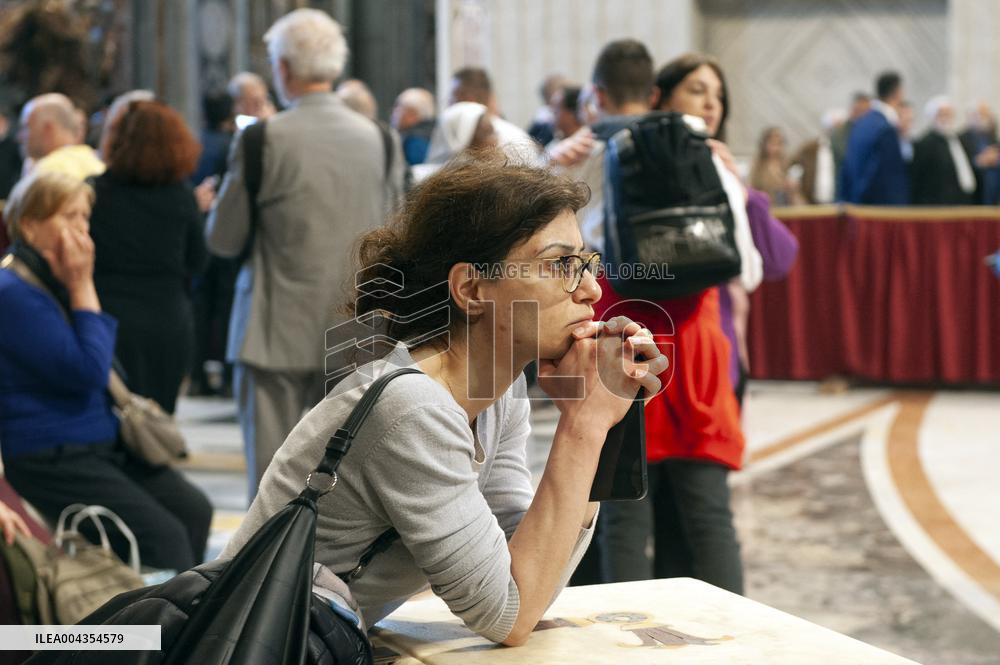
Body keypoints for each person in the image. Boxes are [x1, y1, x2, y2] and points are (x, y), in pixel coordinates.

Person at [222, 153, 667, 646]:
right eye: (560, 264)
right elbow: (509, 614)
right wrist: (584, 426)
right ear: (471, 289)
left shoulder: (498, 392)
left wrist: (604, 419)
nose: (591, 289)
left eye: (586, 263)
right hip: (238, 643)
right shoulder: (414, 407)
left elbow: (528, 566)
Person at [207, 8, 387, 500]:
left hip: (273, 334)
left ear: (283, 68)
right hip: (356, 334)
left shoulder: (262, 139)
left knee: (272, 491)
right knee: (350, 494)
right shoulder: (380, 139)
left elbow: (223, 239)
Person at [0, 171, 212, 571]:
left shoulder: (53, 282)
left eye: (84, 217)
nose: (82, 229)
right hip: (50, 455)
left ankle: (187, 611)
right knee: (164, 539)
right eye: (68, 217)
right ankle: (156, 612)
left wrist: (77, 285)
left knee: (194, 509)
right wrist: (83, 285)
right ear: (29, 225)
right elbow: (88, 372)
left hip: (98, 445)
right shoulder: (13, 293)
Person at [88, 100, 208, 414]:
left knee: (113, 415)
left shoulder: (94, 192)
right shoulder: (182, 195)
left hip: (108, 313)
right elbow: (198, 260)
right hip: (167, 317)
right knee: (158, 420)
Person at [840, 71, 910, 204]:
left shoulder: (861, 123)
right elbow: (889, 179)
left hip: (856, 205)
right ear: (897, 93)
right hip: (878, 209)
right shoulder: (885, 129)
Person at [17, 93, 104, 180]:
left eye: (26, 127)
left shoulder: (49, 171)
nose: (19, 137)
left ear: (48, 130)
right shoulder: (96, 161)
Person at [911, 97, 977, 205]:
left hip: (962, 201)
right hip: (937, 204)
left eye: (949, 114)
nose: (946, 118)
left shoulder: (959, 139)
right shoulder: (924, 144)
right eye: (941, 114)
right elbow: (919, 179)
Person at [414, 101, 497, 182]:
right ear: (464, 138)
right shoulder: (419, 178)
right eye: (487, 133)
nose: (495, 139)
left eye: (493, 132)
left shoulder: (495, 178)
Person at [790, 109, 845, 205]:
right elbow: (794, 169)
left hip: (838, 204)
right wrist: (797, 193)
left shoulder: (845, 150)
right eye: (834, 127)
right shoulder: (809, 149)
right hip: (812, 204)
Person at [749, 126, 803, 206]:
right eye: (772, 144)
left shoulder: (788, 163)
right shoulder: (757, 166)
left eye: (779, 144)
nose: (776, 148)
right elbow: (752, 189)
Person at [391, 87, 436, 166]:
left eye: (399, 108)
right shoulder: (433, 130)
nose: (394, 113)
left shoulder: (415, 141)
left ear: (413, 115)